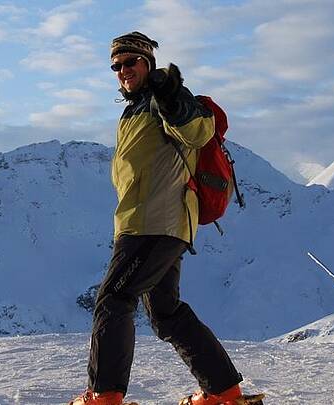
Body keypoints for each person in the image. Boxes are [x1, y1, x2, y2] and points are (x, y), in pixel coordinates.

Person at [68, 32, 246, 405]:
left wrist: (170, 96)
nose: (122, 70)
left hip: (154, 223)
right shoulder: (133, 108)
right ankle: (223, 390)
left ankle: (105, 396)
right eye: (116, 66)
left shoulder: (167, 97)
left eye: (130, 62)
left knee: (114, 300)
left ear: (147, 63)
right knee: (165, 312)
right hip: (150, 222)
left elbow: (198, 131)